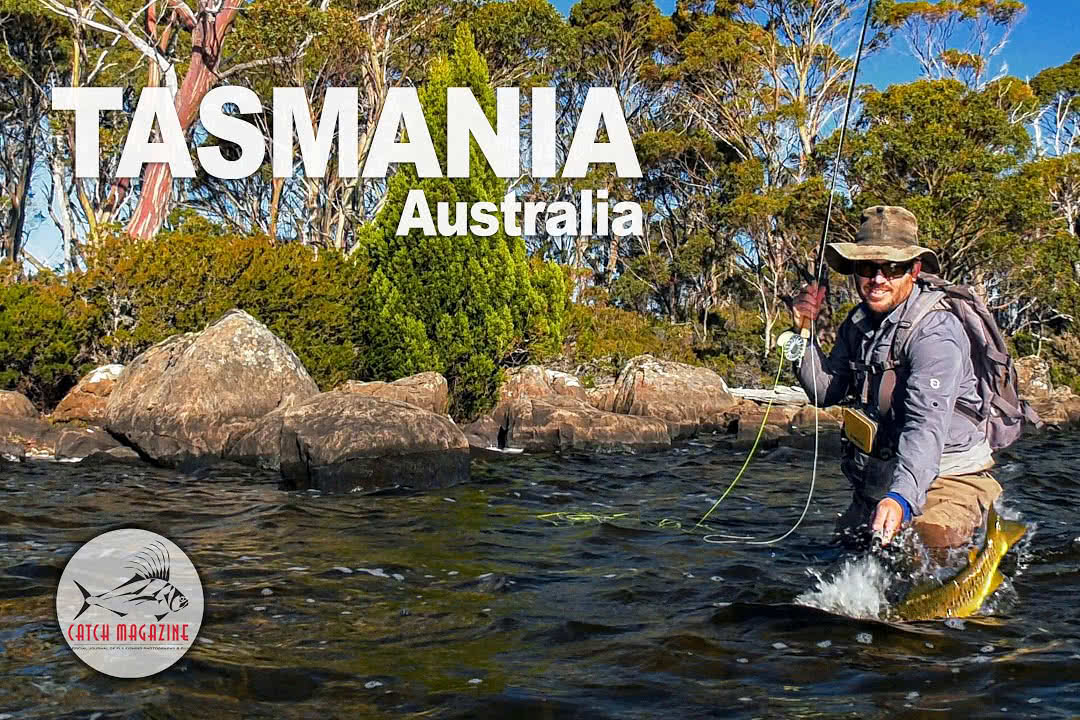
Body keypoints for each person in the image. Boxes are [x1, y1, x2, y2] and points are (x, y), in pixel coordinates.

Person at [791, 205, 1000, 550]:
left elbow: (926, 426)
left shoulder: (936, 333)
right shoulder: (856, 323)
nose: (878, 279)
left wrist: (901, 498)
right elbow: (825, 391)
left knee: (926, 554)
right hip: (882, 473)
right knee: (843, 558)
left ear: (914, 270)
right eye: (867, 267)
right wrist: (802, 334)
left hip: (949, 476)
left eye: (893, 268)